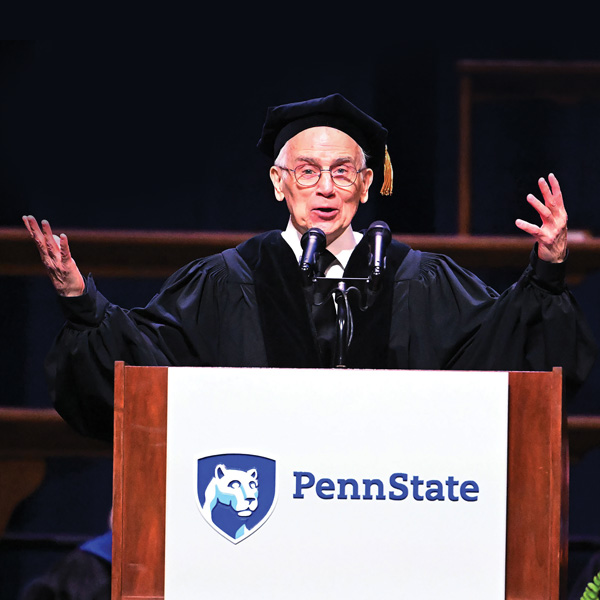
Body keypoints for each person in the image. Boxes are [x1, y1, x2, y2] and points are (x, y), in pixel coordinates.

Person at [23, 93, 597, 442]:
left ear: (368, 184)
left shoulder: (421, 281)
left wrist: (546, 271)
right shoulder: (229, 280)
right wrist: (83, 304)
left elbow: (501, 357)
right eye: (307, 171)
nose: (326, 188)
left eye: (343, 172)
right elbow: (148, 365)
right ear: (278, 182)